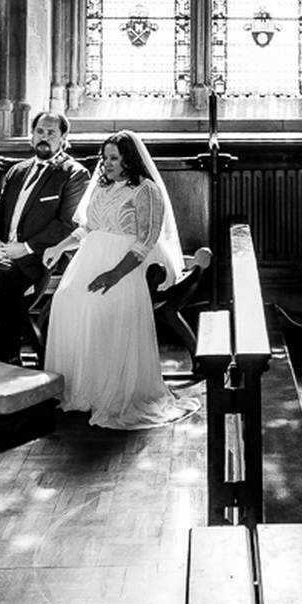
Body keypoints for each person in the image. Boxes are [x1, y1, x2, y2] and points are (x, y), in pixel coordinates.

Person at [41, 131, 193, 429]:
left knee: (97, 309)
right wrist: (59, 247)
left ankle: (107, 392)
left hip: (124, 266)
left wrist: (114, 274)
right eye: (105, 157)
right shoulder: (101, 188)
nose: (106, 163)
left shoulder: (146, 190)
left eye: (113, 158)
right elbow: (86, 229)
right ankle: (76, 388)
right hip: (88, 260)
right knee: (65, 301)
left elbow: (146, 241)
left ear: (129, 159)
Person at [0, 112, 90, 365]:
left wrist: (26, 248)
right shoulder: (17, 171)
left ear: (63, 138)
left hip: (41, 259)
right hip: (1, 252)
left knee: (3, 282)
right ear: (32, 135)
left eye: (51, 133)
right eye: (40, 131)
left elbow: (67, 224)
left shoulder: (74, 174)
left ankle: (5, 359)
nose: (44, 137)